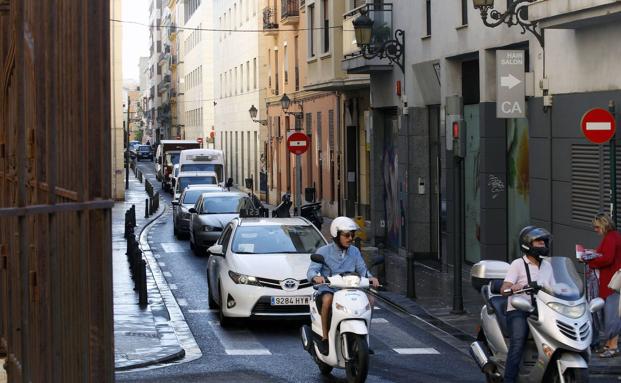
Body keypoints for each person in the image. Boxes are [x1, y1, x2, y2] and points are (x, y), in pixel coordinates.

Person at [307, 216, 380, 355]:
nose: (350, 238)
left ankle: (364, 338)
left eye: (352, 235)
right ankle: (325, 337)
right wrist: (316, 277)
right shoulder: (323, 251)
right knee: (328, 299)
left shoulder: (355, 251)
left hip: (350, 288)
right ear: (336, 235)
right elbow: (312, 270)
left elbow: (362, 269)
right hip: (329, 288)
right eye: (346, 235)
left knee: (370, 300)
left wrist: (371, 278)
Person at [501, 226, 552, 383]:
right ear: (527, 244)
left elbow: (554, 288)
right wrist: (513, 287)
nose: (542, 244)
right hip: (519, 309)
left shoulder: (548, 265)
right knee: (518, 341)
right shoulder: (517, 264)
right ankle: (509, 380)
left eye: (544, 242)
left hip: (543, 310)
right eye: (538, 242)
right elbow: (504, 289)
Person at [583, 213, 621, 358]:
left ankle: (612, 347)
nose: (595, 230)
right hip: (611, 281)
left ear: (604, 225)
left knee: (611, 315)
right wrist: (593, 253)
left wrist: (590, 261)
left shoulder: (611, 237)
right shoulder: (613, 236)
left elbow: (608, 258)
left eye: (597, 227)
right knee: (611, 314)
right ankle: (609, 345)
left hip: (612, 282)